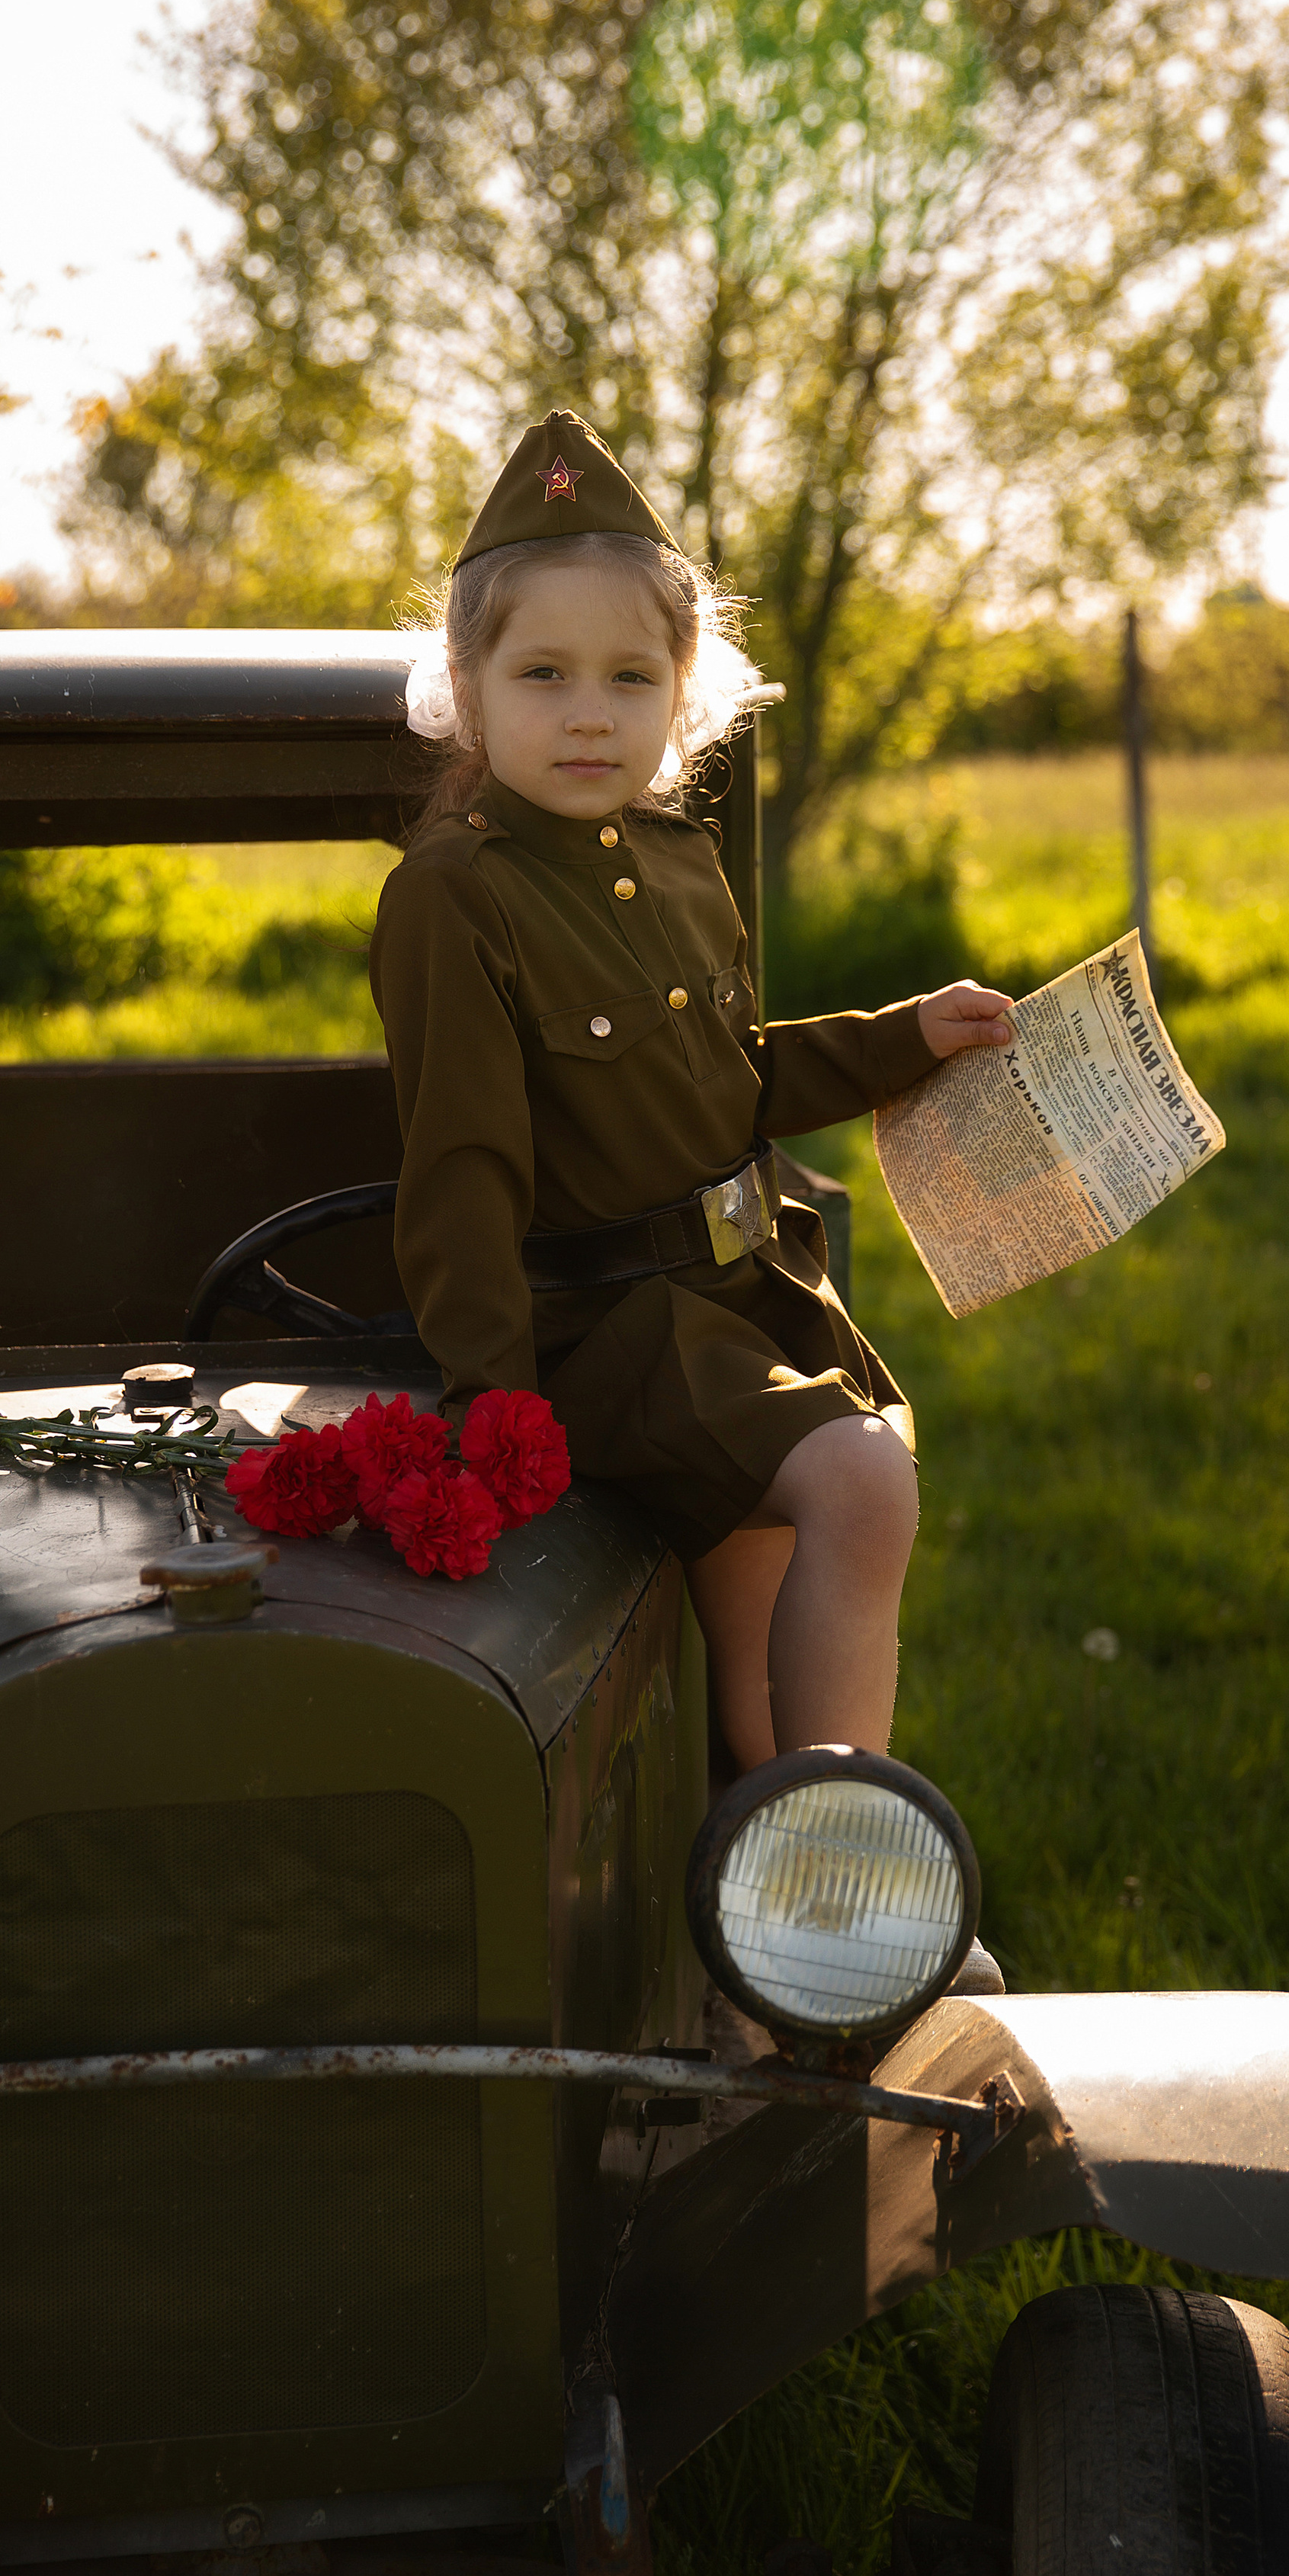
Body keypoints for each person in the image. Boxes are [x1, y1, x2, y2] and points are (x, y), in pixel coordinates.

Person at [370, 409, 1015, 1777]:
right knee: (860, 1482)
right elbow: (463, 1170)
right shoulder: (455, 893)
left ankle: (771, 1859)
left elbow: (739, 1079)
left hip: (745, 1298)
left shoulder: (675, 855)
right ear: (468, 688)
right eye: (543, 673)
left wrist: (908, 1037)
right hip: (606, 1332)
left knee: (757, 1675)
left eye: (630, 676)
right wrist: (491, 1408)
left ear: (681, 692)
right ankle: (846, 1848)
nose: (589, 712)